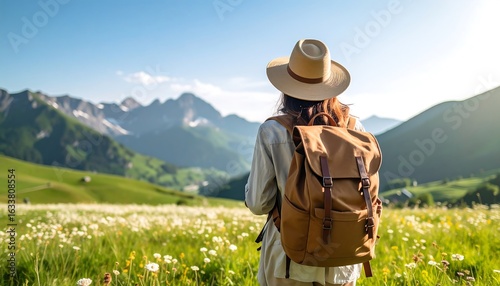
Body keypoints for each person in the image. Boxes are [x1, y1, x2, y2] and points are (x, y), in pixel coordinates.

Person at [245, 39, 365, 286]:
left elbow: (258, 203)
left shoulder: (272, 131)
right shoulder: (356, 129)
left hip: (289, 257)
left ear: (286, 88)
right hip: (344, 258)